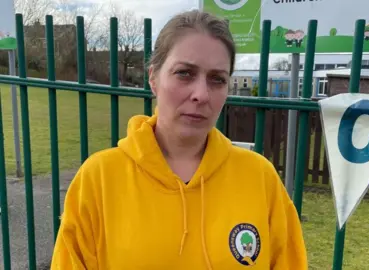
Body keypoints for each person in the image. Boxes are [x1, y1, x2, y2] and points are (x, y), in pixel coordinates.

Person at [50, 9, 307, 270]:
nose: (201, 94)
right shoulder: (99, 179)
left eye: (217, 79)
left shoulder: (260, 178)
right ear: (153, 78)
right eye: (185, 73)